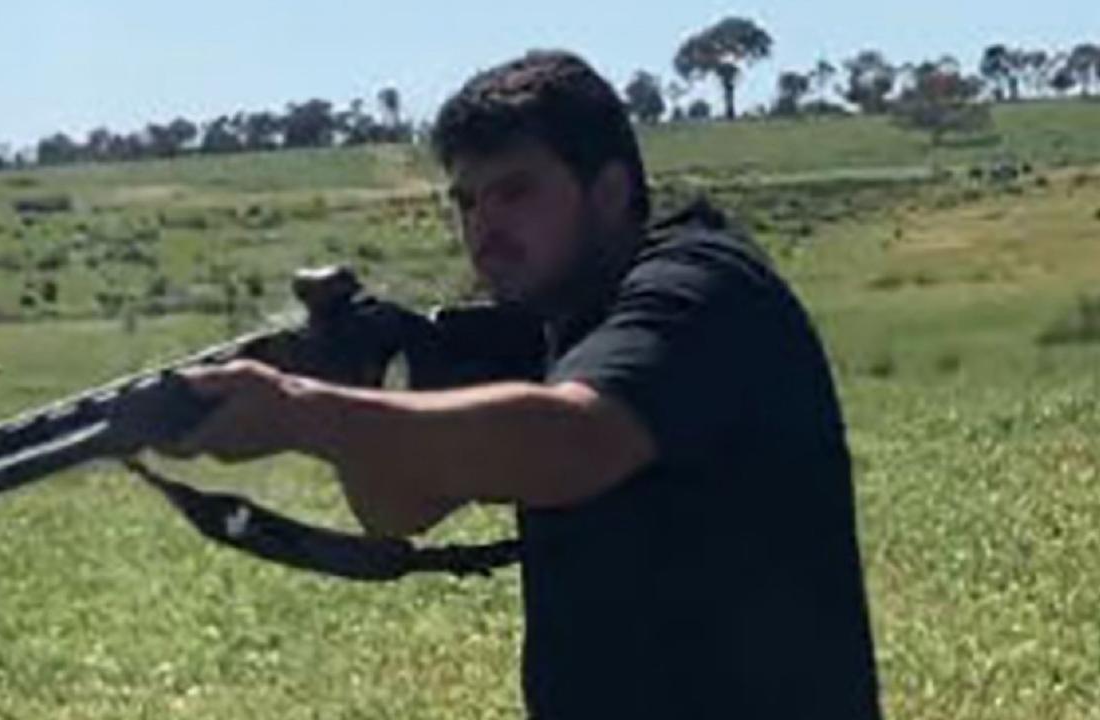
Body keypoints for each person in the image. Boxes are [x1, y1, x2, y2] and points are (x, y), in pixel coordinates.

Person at [160, 50, 882, 719]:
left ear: (609, 190)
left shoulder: (698, 288)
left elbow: (575, 441)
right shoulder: (555, 321)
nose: (484, 226)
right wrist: (361, 387)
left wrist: (301, 412)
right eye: (467, 202)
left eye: (515, 192)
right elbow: (399, 510)